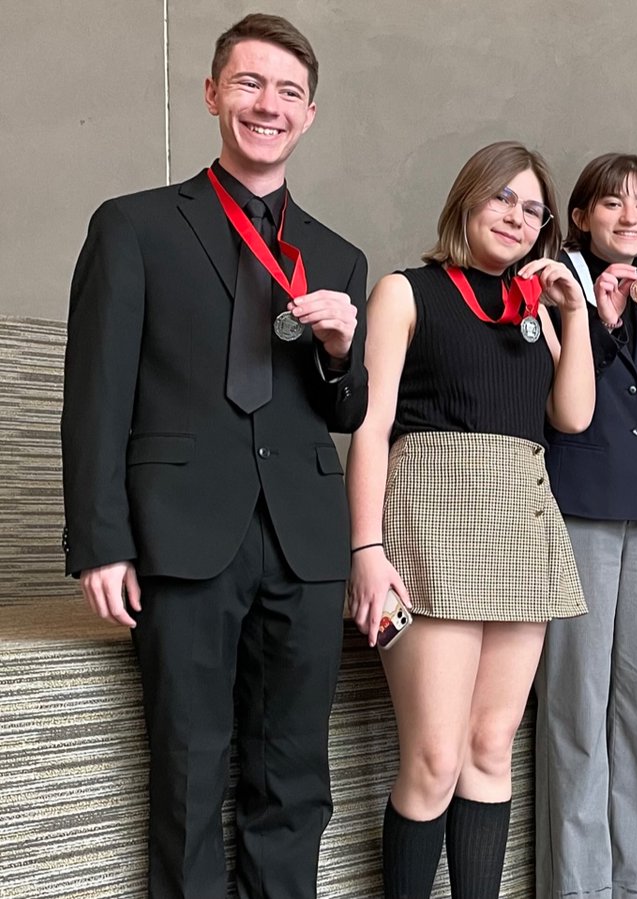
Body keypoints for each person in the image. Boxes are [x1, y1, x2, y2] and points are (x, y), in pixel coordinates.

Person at [60, 13, 367, 898]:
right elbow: (96, 392)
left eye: (288, 92)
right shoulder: (133, 226)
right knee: (189, 771)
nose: (268, 105)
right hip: (182, 536)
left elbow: (345, 410)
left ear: (309, 115)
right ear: (211, 94)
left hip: (305, 543)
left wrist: (342, 352)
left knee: (296, 775)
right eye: (249, 83)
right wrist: (101, 541)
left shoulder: (337, 256)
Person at [345, 140, 595, 899]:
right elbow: (369, 426)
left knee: (491, 748)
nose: (517, 217)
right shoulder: (405, 291)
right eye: (503, 198)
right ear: (468, 199)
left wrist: (574, 312)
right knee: (434, 758)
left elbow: (573, 416)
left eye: (533, 209)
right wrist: (366, 549)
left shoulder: (534, 309)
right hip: (429, 524)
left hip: (519, 519)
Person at [534, 154, 637, 899]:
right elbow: (563, 397)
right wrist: (598, 318)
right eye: (613, 203)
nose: (631, 216)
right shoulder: (552, 283)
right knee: (576, 705)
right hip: (580, 504)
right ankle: (578, 888)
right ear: (582, 215)